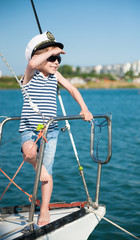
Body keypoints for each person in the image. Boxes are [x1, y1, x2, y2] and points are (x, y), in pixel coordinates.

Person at [19, 31, 93, 226]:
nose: (56, 61)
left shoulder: (55, 76)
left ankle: (44, 209)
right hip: (29, 128)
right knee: (29, 152)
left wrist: (84, 108)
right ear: (38, 57)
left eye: (58, 58)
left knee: (48, 173)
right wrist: (55, 49)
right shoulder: (29, 75)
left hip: (51, 131)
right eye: (52, 58)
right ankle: (38, 166)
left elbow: (73, 89)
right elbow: (32, 63)